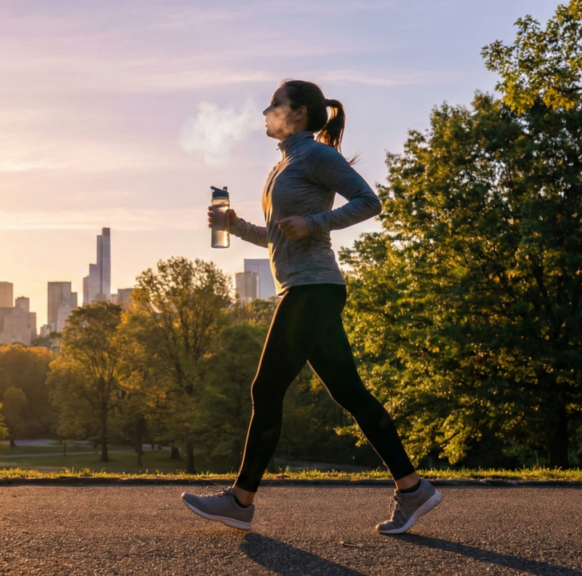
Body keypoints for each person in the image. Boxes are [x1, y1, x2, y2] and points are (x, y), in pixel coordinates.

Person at [181, 80, 442, 535]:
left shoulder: (317, 155)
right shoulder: (285, 163)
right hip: (303, 287)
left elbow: (369, 202)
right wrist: (236, 225)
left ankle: (241, 501)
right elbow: (281, 234)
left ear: (297, 112)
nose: (266, 111)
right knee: (351, 394)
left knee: (266, 390)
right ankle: (413, 487)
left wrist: (314, 222)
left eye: (274, 104)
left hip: (313, 288)